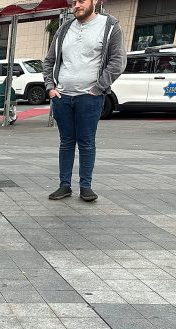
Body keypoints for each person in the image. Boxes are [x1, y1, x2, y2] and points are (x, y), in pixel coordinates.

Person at [42, 0, 125, 202]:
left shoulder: (110, 26)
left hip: (90, 97)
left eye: (81, 1)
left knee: (86, 142)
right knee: (66, 142)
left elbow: (118, 61)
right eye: (73, 2)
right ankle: (64, 185)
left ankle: (85, 186)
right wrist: (50, 88)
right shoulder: (64, 28)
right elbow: (49, 60)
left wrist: (98, 89)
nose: (76, 5)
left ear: (95, 1)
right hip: (62, 96)